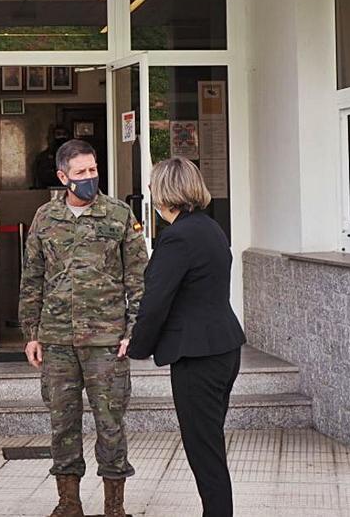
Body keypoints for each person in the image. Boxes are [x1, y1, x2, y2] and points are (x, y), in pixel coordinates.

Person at [19, 139, 148, 517]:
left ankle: (114, 506)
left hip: (106, 341)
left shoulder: (119, 215)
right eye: (81, 172)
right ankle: (68, 502)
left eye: (93, 170)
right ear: (63, 177)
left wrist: (132, 330)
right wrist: (31, 334)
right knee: (62, 424)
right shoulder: (45, 218)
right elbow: (32, 279)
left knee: (110, 423)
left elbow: (138, 278)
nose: (89, 177)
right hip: (57, 340)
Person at [127, 157, 247, 517]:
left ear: (164, 192)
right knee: (210, 443)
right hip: (224, 348)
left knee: (204, 449)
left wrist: (136, 347)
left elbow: (156, 301)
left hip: (198, 357)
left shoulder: (177, 238)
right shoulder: (210, 229)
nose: (149, 191)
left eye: (152, 185)